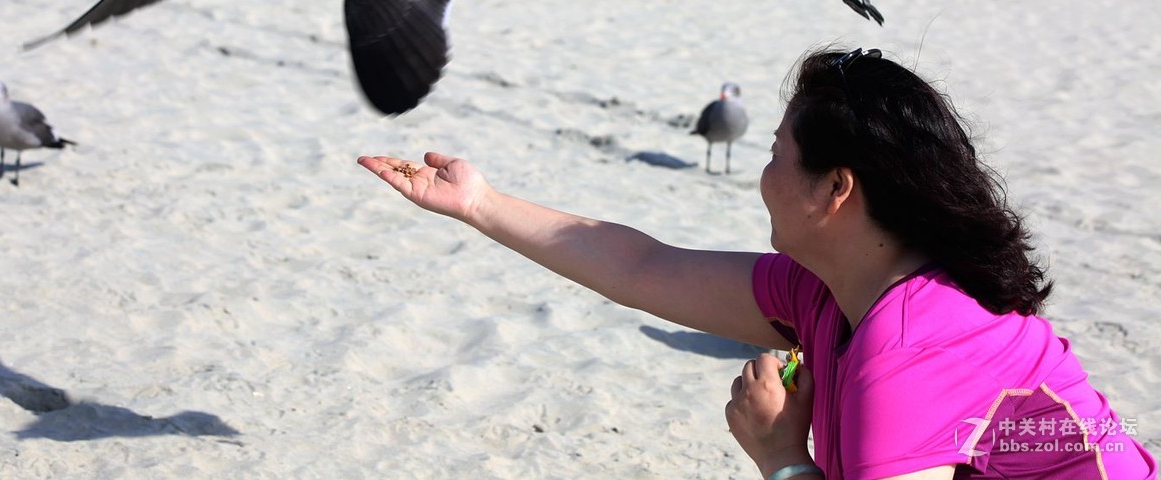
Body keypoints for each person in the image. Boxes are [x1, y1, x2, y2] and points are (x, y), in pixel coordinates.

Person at [357, 47, 1157, 479]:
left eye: (777, 154)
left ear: (836, 189)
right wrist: (479, 203)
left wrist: (781, 460)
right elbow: (643, 267)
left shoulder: (911, 352)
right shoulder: (832, 290)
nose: (763, 174)